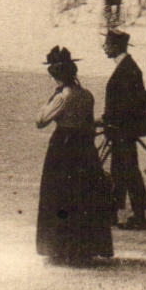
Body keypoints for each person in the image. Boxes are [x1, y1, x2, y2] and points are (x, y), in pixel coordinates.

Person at [36, 46, 115, 264]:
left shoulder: (63, 96)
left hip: (64, 147)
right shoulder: (86, 95)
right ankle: (86, 247)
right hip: (85, 147)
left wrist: (52, 99)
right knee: (85, 195)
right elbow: (89, 123)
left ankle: (61, 248)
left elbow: (40, 121)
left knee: (61, 195)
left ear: (56, 76)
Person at [101, 29, 146, 230]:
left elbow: (128, 104)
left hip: (123, 130)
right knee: (119, 171)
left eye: (106, 44)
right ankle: (114, 212)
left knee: (129, 171)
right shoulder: (128, 67)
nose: (104, 47)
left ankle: (139, 216)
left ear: (115, 46)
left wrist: (108, 120)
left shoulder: (127, 69)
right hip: (122, 129)